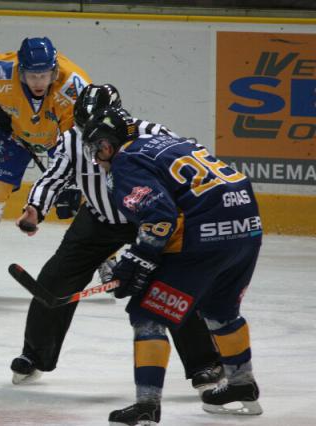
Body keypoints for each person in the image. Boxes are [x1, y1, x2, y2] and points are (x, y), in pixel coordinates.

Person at [10, 84, 223, 397]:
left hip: (151, 221)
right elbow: (53, 178)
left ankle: (205, 361)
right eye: (83, 126)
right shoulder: (72, 140)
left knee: (172, 287)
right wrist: (35, 208)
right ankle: (35, 355)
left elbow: (185, 160)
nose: (89, 137)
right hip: (99, 220)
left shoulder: (151, 133)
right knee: (54, 279)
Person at [79, 107, 262, 424]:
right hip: (247, 230)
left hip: (206, 239)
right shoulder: (171, 143)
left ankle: (147, 406)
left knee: (147, 315)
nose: (97, 159)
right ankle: (241, 385)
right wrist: (145, 259)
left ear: (108, 144)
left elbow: (160, 217)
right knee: (220, 311)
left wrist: (135, 262)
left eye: (98, 150)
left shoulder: (126, 162)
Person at [0, 36, 91, 300]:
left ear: (55, 70)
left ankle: (105, 257)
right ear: (20, 71)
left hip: (58, 137)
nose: (39, 82)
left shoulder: (72, 85)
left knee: (90, 194)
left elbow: (77, 139)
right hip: (11, 133)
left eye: (45, 75)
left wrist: (72, 183)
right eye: (32, 76)